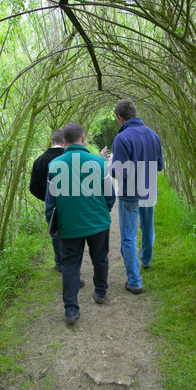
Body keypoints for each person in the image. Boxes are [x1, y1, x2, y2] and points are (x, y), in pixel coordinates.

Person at [45, 122, 115, 325]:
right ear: (83, 139)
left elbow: (51, 202)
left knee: (70, 265)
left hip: (68, 225)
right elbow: (110, 197)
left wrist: (53, 224)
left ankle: (71, 310)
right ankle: (100, 292)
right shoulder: (100, 164)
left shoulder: (54, 166)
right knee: (100, 259)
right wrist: (104, 211)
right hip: (98, 223)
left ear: (64, 142)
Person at [101, 100, 164, 295]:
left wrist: (108, 163)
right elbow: (160, 166)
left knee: (128, 237)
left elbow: (119, 172)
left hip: (130, 193)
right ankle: (145, 260)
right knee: (147, 228)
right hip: (149, 190)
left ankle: (135, 282)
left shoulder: (122, 138)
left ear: (120, 118)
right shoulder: (154, 135)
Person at [29, 129, 65, 273]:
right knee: (70, 232)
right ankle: (70, 262)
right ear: (65, 142)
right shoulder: (69, 158)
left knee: (55, 232)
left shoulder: (39, 160)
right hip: (70, 201)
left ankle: (59, 262)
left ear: (52, 142)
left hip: (51, 203)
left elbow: (33, 187)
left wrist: (45, 197)